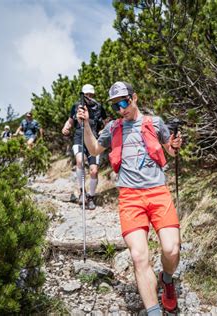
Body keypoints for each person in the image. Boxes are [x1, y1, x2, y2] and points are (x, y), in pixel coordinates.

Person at [79, 81, 182, 315]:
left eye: (124, 102)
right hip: (129, 197)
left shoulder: (155, 123)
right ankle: (154, 311)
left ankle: (166, 279)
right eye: (116, 106)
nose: (121, 109)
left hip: (158, 192)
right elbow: (94, 149)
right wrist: (85, 125)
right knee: (138, 256)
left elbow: (171, 150)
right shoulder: (113, 127)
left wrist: (175, 145)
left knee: (172, 250)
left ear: (134, 98)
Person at [62, 84, 107, 209]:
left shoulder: (99, 107)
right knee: (80, 160)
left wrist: (104, 130)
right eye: (86, 94)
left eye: (91, 94)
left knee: (94, 170)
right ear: (82, 94)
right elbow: (70, 121)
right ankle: (82, 191)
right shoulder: (76, 106)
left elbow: (106, 122)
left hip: (94, 141)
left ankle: (91, 197)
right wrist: (66, 127)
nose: (89, 97)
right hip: (79, 138)